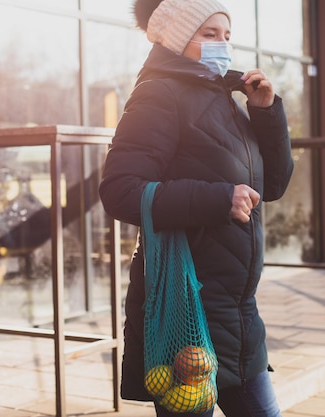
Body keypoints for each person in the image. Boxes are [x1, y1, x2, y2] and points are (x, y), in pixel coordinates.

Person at [98, 0, 293, 416]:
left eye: (226, 35)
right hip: (185, 314)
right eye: (209, 34)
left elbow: (272, 187)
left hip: (239, 314)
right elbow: (119, 190)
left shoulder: (226, 99)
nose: (222, 44)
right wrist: (218, 199)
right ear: (177, 39)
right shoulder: (158, 94)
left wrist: (266, 115)